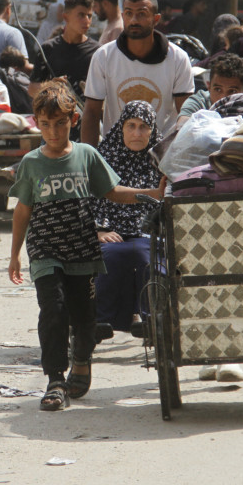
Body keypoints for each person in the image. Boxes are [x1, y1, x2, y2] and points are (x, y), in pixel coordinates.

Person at [7, 82, 166, 411]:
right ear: (37, 122)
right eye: (46, 124)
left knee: (83, 316)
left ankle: (81, 361)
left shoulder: (87, 155)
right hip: (45, 251)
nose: (53, 131)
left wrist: (152, 193)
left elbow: (112, 191)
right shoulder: (31, 163)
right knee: (52, 311)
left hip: (82, 251)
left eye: (61, 123)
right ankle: (54, 380)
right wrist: (15, 256)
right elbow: (23, 211)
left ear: (74, 120)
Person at [82, 0, 194, 144]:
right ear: (123, 16)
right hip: (115, 154)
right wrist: (91, 160)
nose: (134, 20)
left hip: (160, 154)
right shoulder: (103, 56)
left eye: (141, 14)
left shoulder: (178, 59)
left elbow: (185, 115)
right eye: (129, 13)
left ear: (156, 19)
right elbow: (92, 112)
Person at [91, 100, 162, 339]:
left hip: (147, 232)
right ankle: (101, 321)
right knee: (111, 256)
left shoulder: (161, 161)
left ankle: (149, 319)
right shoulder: (102, 158)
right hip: (111, 231)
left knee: (144, 257)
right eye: (131, 125)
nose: (136, 133)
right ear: (121, 127)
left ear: (152, 130)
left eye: (144, 127)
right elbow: (90, 201)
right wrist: (98, 231)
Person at [33, 0, 99, 104]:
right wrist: (51, 86)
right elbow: (32, 88)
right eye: (81, 15)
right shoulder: (48, 48)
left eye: (89, 16)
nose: (87, 21)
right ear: (66, 17)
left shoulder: (97, 52)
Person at [179, 52, 243, 118]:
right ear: (209, 86)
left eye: (232, 91)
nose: (223, 97)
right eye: (218, 89)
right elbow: (183, 123)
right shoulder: (198, 103)